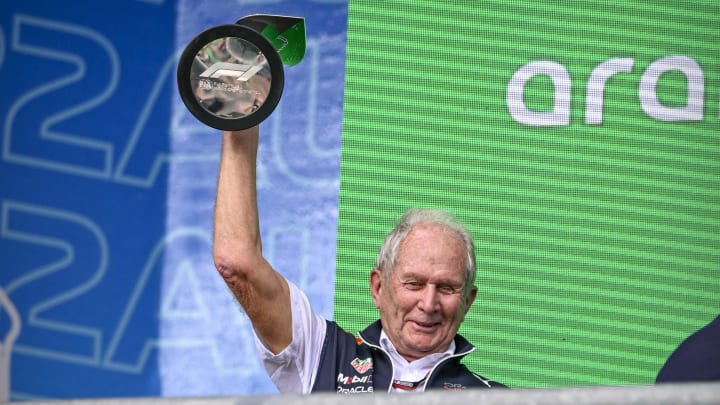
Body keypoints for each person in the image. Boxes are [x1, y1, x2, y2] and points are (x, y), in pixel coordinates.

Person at [212, 126, 506, 393]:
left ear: (467, 301)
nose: (428, 304)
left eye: (446, 288)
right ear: (378, 287)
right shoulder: (322, 353)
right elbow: (237, 263)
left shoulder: (497, 399)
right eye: (414, 284)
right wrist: (241, 120)